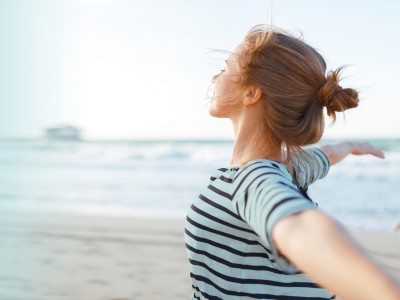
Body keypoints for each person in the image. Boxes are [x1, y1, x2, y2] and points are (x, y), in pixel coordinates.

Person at [184, 25, 400, 300]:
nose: (215, 76)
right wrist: (351, 146)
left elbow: (300, 227)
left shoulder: (255, 178)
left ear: (251, 93)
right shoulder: (288, 169)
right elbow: (324, 156)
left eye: (225, 68)